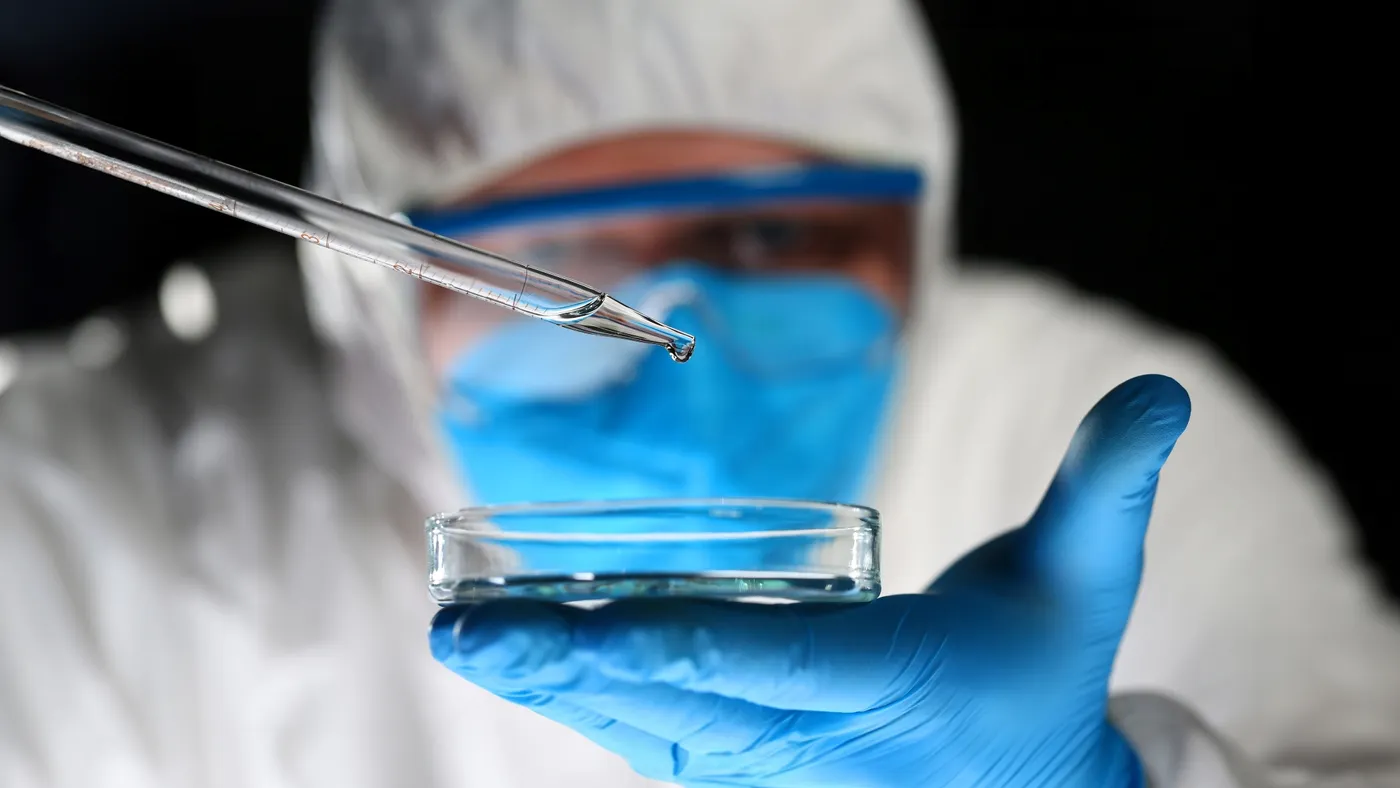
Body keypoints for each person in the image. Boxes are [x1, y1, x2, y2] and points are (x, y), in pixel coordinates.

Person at [1, 0, 1397, 786]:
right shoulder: (83, 523)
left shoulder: (1076, 443)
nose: (681, 332)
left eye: (773, 238)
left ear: (917, 229)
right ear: (368, 287)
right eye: (541, 264)